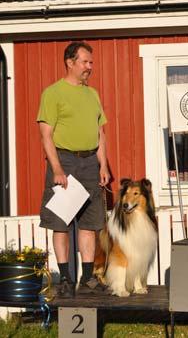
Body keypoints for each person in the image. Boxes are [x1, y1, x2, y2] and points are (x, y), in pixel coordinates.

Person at [37, 41, 110, 297]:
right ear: (70, 62)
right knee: (61, 224)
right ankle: (66, 279)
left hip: (90, 162)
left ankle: (88, 279)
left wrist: (103, 165)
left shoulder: (92, 94)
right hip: (65, 162)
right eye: (85, 62)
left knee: (90, 224)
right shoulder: (53, 93)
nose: (90, 67)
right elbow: (46, 135)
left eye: (91, 62)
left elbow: (100, 132)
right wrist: (56, 169)